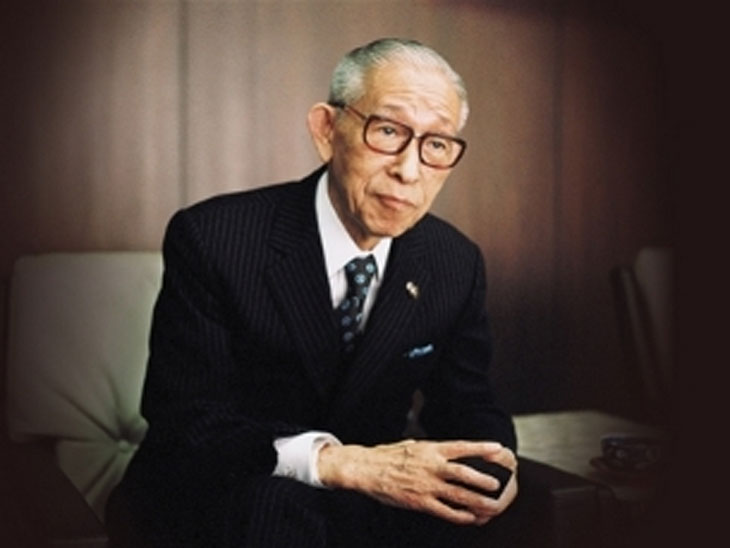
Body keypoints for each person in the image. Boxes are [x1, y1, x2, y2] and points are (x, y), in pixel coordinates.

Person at [106, 37, 518, 548]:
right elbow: (187, 422)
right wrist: (338, 463)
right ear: (327, 130)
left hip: (361, 512)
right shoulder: (214, 238)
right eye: (388, 131)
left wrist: (494, 465)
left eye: (436, 145)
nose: (409, 171)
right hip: (221, 496)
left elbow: (469, 401)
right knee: (274, 509)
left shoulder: (453, 261)